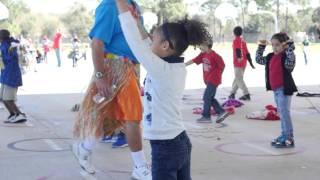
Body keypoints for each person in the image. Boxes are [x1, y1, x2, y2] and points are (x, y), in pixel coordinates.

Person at [116, 0, 211, 179]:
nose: (149, 40)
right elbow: (144, 44)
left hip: (166, 148)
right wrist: (138, 23)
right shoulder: (171, 67)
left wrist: (122, 6)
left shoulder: (162, 70)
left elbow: (135, 42)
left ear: (165, 45)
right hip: (179, 141)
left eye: (154, 38)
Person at [72, 1, 151, 179]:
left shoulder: (132, 5)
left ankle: (84, 148)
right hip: (116, 66)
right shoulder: (109, 6)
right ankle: (140, 167)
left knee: (106, 117)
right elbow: (97, 43)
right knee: (133, 116)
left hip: (131, 67)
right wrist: (100, 75)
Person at [255, 33, 297, 148]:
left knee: (284, 113)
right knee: (281, 114)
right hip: (276, 90)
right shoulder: (270, 57)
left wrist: (289, 48)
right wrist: (261, 47)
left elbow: (290, 65)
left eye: (277, 45)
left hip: (284, 89)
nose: (274, 47)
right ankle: (284, 135)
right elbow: (258, 60)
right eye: (272, 45)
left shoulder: (286, 57)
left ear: (283, 45)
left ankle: (289, 138)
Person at [185, 39, 230, 123]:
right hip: (208, 79)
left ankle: (206, 117)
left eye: (200, 45)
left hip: (213, 80)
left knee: (206, 97)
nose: (199, 47)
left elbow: (222, 66)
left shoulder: (215, 56)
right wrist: (184, 65)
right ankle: (222, 112)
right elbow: (194, 60)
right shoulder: (203, 54)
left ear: (207, 45)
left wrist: (217, 76)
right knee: (210, 98)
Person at [0, 29, 27, 123]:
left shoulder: (11, 45)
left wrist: (2, 58)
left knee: (8, 98)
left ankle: (19, 114)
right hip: (5, 75)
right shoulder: (4, 45)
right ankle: (13, 114)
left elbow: (11, 58)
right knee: (3, 98)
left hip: (11, 75)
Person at [229, 26, 255, 101]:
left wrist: (239, 58)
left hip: (238, 63)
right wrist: (250, 62)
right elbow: (247, 52)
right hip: (244, 63)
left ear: (234, 33)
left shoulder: (236, 40)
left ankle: (246, 94)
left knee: (239, 79)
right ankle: (232, 93)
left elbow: (237, 49)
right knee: (237, 78)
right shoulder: (243, 41)